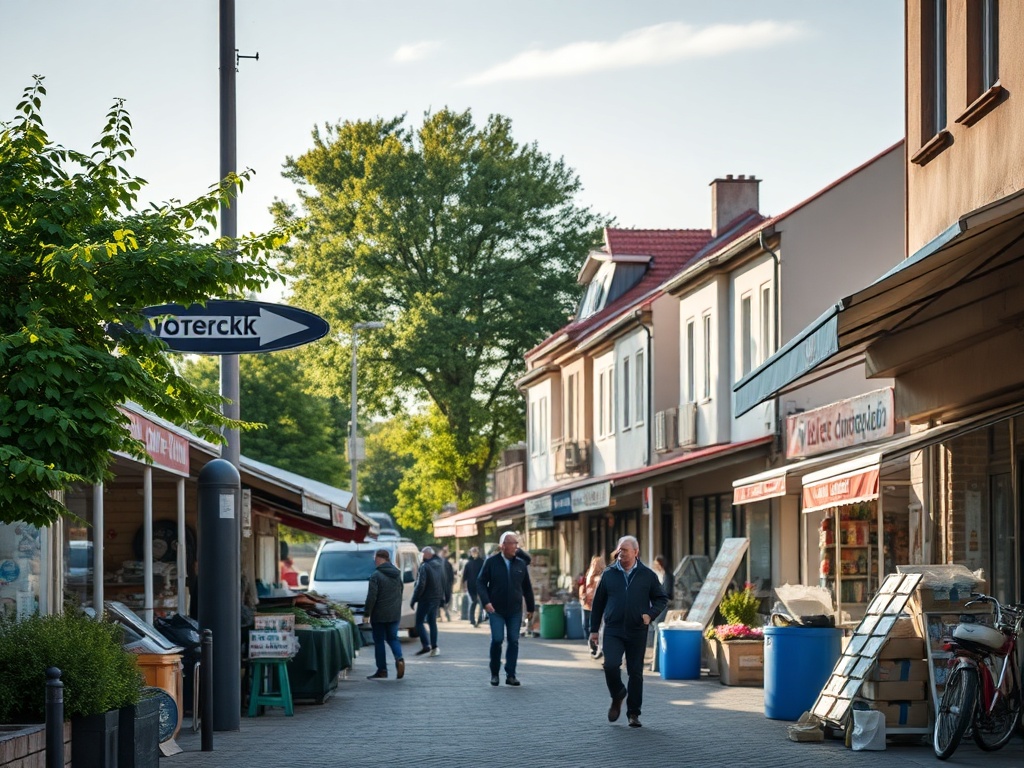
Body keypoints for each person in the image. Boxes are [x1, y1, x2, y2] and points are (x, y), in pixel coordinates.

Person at [590, 535, 668, 728]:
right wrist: (593, 631)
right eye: (619, 550)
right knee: (610, 665)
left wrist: (650, 615)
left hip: (636, 630)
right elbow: (598, 604)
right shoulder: (609, 574)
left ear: (636, 552)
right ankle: (618, 694)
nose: (621, 553)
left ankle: (633, 713)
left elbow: (661, 599)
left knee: (635, 673)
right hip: (613, 629)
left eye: (625, 550)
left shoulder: (647, 575)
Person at [476, 531, 535, 686]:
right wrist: (486, 602)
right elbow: (480, 583)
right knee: (497, 640)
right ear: (503, 546)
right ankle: (495, 673)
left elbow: (527, 588)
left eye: (517, 543)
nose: (516, 546)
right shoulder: (491, 562)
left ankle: (511, 675)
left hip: (515, 610)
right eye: (513, 543)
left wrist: (530, 607)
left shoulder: (520, 564)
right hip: (495, 609)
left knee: (513, 641)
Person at [364, 548, 405, 680]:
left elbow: (371, 597)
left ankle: (382, 670)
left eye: (375, 559)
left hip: (379, 614)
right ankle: (399, 658)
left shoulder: (376, 575)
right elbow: (401, 590)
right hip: (394, 613)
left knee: (379, 641)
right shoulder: (397, 574)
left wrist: (367, 613)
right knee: (393, 638)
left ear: (379, 558)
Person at [411, 546, 448, 656]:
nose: (421, 556)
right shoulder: (441, 565)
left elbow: (421, 584)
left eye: (423, 554)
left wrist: (414, 599)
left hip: (425, 598)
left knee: (419, 622)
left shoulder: (425, 566)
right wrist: (445, 597)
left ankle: (426, 645)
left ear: (428, 554)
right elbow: (445, 581)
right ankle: (434, 647)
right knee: (432, 622)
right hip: (436, 598)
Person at [580, 554, 606, 656]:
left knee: (597, 627)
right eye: (593, 563)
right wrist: (582, 595)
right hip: (587, 603)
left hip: (597, 605)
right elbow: (583, 587)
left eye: (596, 564)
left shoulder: (603, 576)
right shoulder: (588, 574)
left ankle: (597, 646)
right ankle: (592, 645)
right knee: (586, 625)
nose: (594, 565)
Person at [461, 547, 485, 627]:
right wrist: (464, 587)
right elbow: (464, 577)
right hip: (472, 586)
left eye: (475, 551)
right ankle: (473, 620)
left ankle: (477, 619)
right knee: (475, 602)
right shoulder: (469, 563)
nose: (474, 553)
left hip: (479, 585)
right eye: (473, 552)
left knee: (479, 603)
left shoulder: (481, 562)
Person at [653, 554, 675, 623]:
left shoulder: (668, 576)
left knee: (657, 621)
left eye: (656, 564)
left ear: (660, 564)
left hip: (665, 602)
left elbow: (667, 591)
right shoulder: (663, 575)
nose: (655, 566)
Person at [438, 546, 455, 621]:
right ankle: (443, 615)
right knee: (443, 601)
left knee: (442, 601)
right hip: (444, 585)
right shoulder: (446, 563)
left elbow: (451, 576)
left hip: (442, 585)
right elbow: (451, 576)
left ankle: (441, 616)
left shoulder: (444, 563)